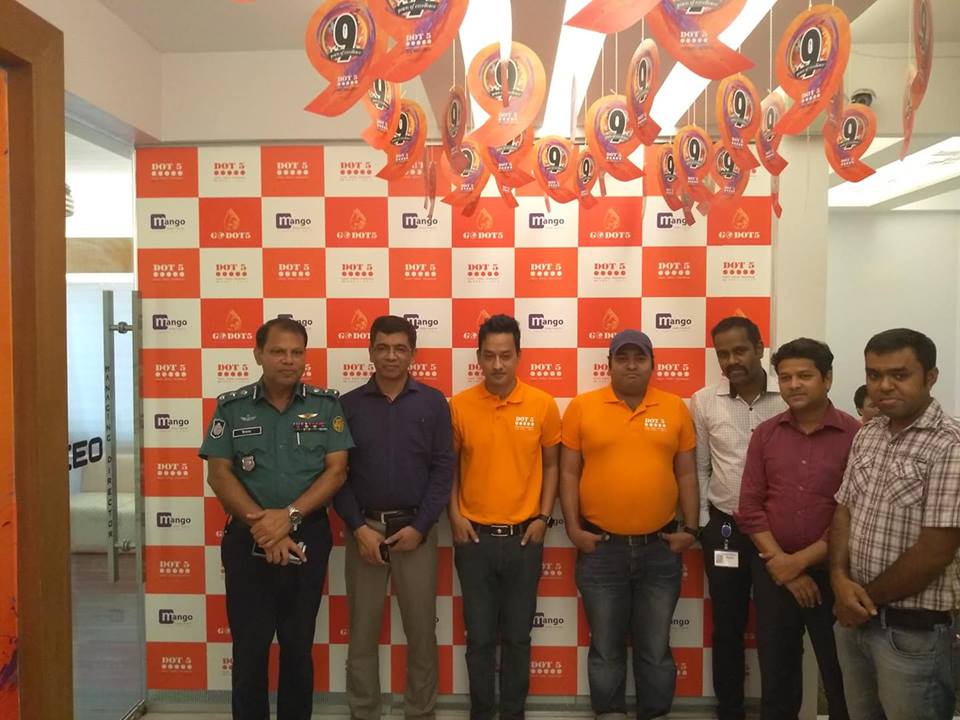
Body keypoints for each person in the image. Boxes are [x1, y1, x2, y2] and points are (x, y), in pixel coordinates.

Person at [199, 318, 353, 720]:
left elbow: (337, 470)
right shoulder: (231, 407)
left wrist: (289, 517)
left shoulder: (326, 405)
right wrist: (265, 529)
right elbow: (219, 474)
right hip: (247, 540)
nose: (288, 360)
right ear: (258, 354)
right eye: (278, 351)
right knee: (249, 651)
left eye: (296, 352)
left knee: (298, 649)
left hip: (307, 538)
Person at [560, 329, 700, 720]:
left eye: (640, 358)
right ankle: (609, 713)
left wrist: (691, 529)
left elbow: (687, 473)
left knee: (655, 647)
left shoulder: (674, 408)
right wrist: (572, 529)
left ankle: (655, 712)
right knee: (606, 647)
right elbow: (568, 473)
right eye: (622, 358)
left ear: (652, 364)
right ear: (609, 365)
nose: (631, 366)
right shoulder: (582, 407)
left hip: (660, 549)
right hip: (602, 549)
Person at [830, 328, 960, 720]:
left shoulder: (950, 444)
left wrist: (860, 601)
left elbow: (935, 551)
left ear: (931, 377)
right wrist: (838, 578)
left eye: (899, 375)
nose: (884, 385)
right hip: (853, 622)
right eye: (874, 374)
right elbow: (844, 510)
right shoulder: (868, 434)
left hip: (912, 634)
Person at [333, 315, 454, 720]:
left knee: (421, 630)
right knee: (362, 631)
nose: (391, 356)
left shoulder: (433, 403)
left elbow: (443, 469)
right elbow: (336, 474)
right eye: (382, 347)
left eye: (400, 348)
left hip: (415, 532)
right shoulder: (348, 405)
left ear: (412, 354)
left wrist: (421, 527)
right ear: (370, 351)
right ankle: (363, 711)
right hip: (364, 531)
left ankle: (420, 711)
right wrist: (357, 528)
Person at [736, 338, 856, 720]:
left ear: (827, 378)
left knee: (840, 676)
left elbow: (854, 513)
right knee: (777, 676)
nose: (794, 385)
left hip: (836, 574)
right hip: (774, 572)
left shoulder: (857, 436)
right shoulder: (765, 434)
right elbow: (750, 508)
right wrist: (783, 566)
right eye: (785, 377)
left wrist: (798, 563)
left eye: (804, 376)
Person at [448, 313, 561, 720]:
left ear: (519, 356)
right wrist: (454, 515)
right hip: (473, 539)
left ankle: (513, 713)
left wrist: (543, 517)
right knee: (479, 638)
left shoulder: (542, 404)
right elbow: (449, 468)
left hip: (524, 540)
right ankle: (481, 712)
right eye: (489, 356)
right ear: (478, 356)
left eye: (506, 356)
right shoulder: (459, 405)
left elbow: (552, 465)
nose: (497, 365)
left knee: (517, 637)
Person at [689, 316, 784, 720]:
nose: (732, 360)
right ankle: (729, 710)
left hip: (778, 533)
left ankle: (779, 711)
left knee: (776, 627)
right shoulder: (703, 400)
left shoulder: (787, 396)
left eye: (740, 350)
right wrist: (704, 523)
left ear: (760, 349)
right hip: (724, 528)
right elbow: (700, 467)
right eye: (723, 354)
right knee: (727, 626)